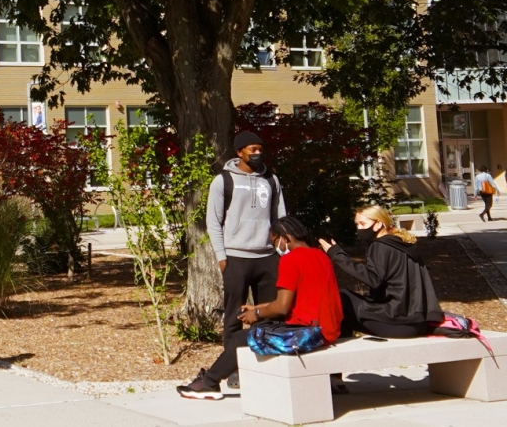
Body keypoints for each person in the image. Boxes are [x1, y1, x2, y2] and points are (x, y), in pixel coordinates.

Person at [178, 217, 343, 400]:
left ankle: (209, 383)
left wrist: (256, 314)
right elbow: (297, 298)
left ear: (285, 238)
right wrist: (258, 307)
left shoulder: (291, 260)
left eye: (274, 241)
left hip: (309, 336)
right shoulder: (320, 256)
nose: (275, 247)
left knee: (241, 337)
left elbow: (281, 307)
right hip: (329, 329)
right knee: (265, 326)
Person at [204, 130, 286, 389]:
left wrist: (282, 251)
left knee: (270, 313)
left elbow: (280, 218)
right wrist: (221, 257)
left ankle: (270, 363)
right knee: (234, 317)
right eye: (252, 149)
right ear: (239, 152)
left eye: (260, 148)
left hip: (267, 257)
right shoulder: (223, 181)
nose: (257, 153)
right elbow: (213, 222)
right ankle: (235, 370)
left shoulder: (271, 179)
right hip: (235, 258)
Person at [319, 205, 444, 338]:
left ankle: (341, 350)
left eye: (363, 223)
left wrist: (338, 256)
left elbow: (373, 280)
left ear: (378, 224)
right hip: (419, 323)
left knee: (342, 298)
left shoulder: (379, 245)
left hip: (397, 324)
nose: (359, 228)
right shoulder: (403, 246)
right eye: (357, 224)